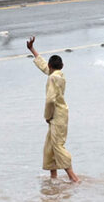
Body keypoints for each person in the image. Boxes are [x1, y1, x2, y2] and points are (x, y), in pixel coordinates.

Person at [27, 36, 80, 183]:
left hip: (56, 115)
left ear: (51, 66)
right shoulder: (59, 75)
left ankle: (74, 178)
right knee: (50, 146)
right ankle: (53, 179)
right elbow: (45, 66)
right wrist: (32, 49)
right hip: (62, 114)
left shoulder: (52, 78)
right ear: (61, 66)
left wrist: (47, 116)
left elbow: (50, 100)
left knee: (57, 146)